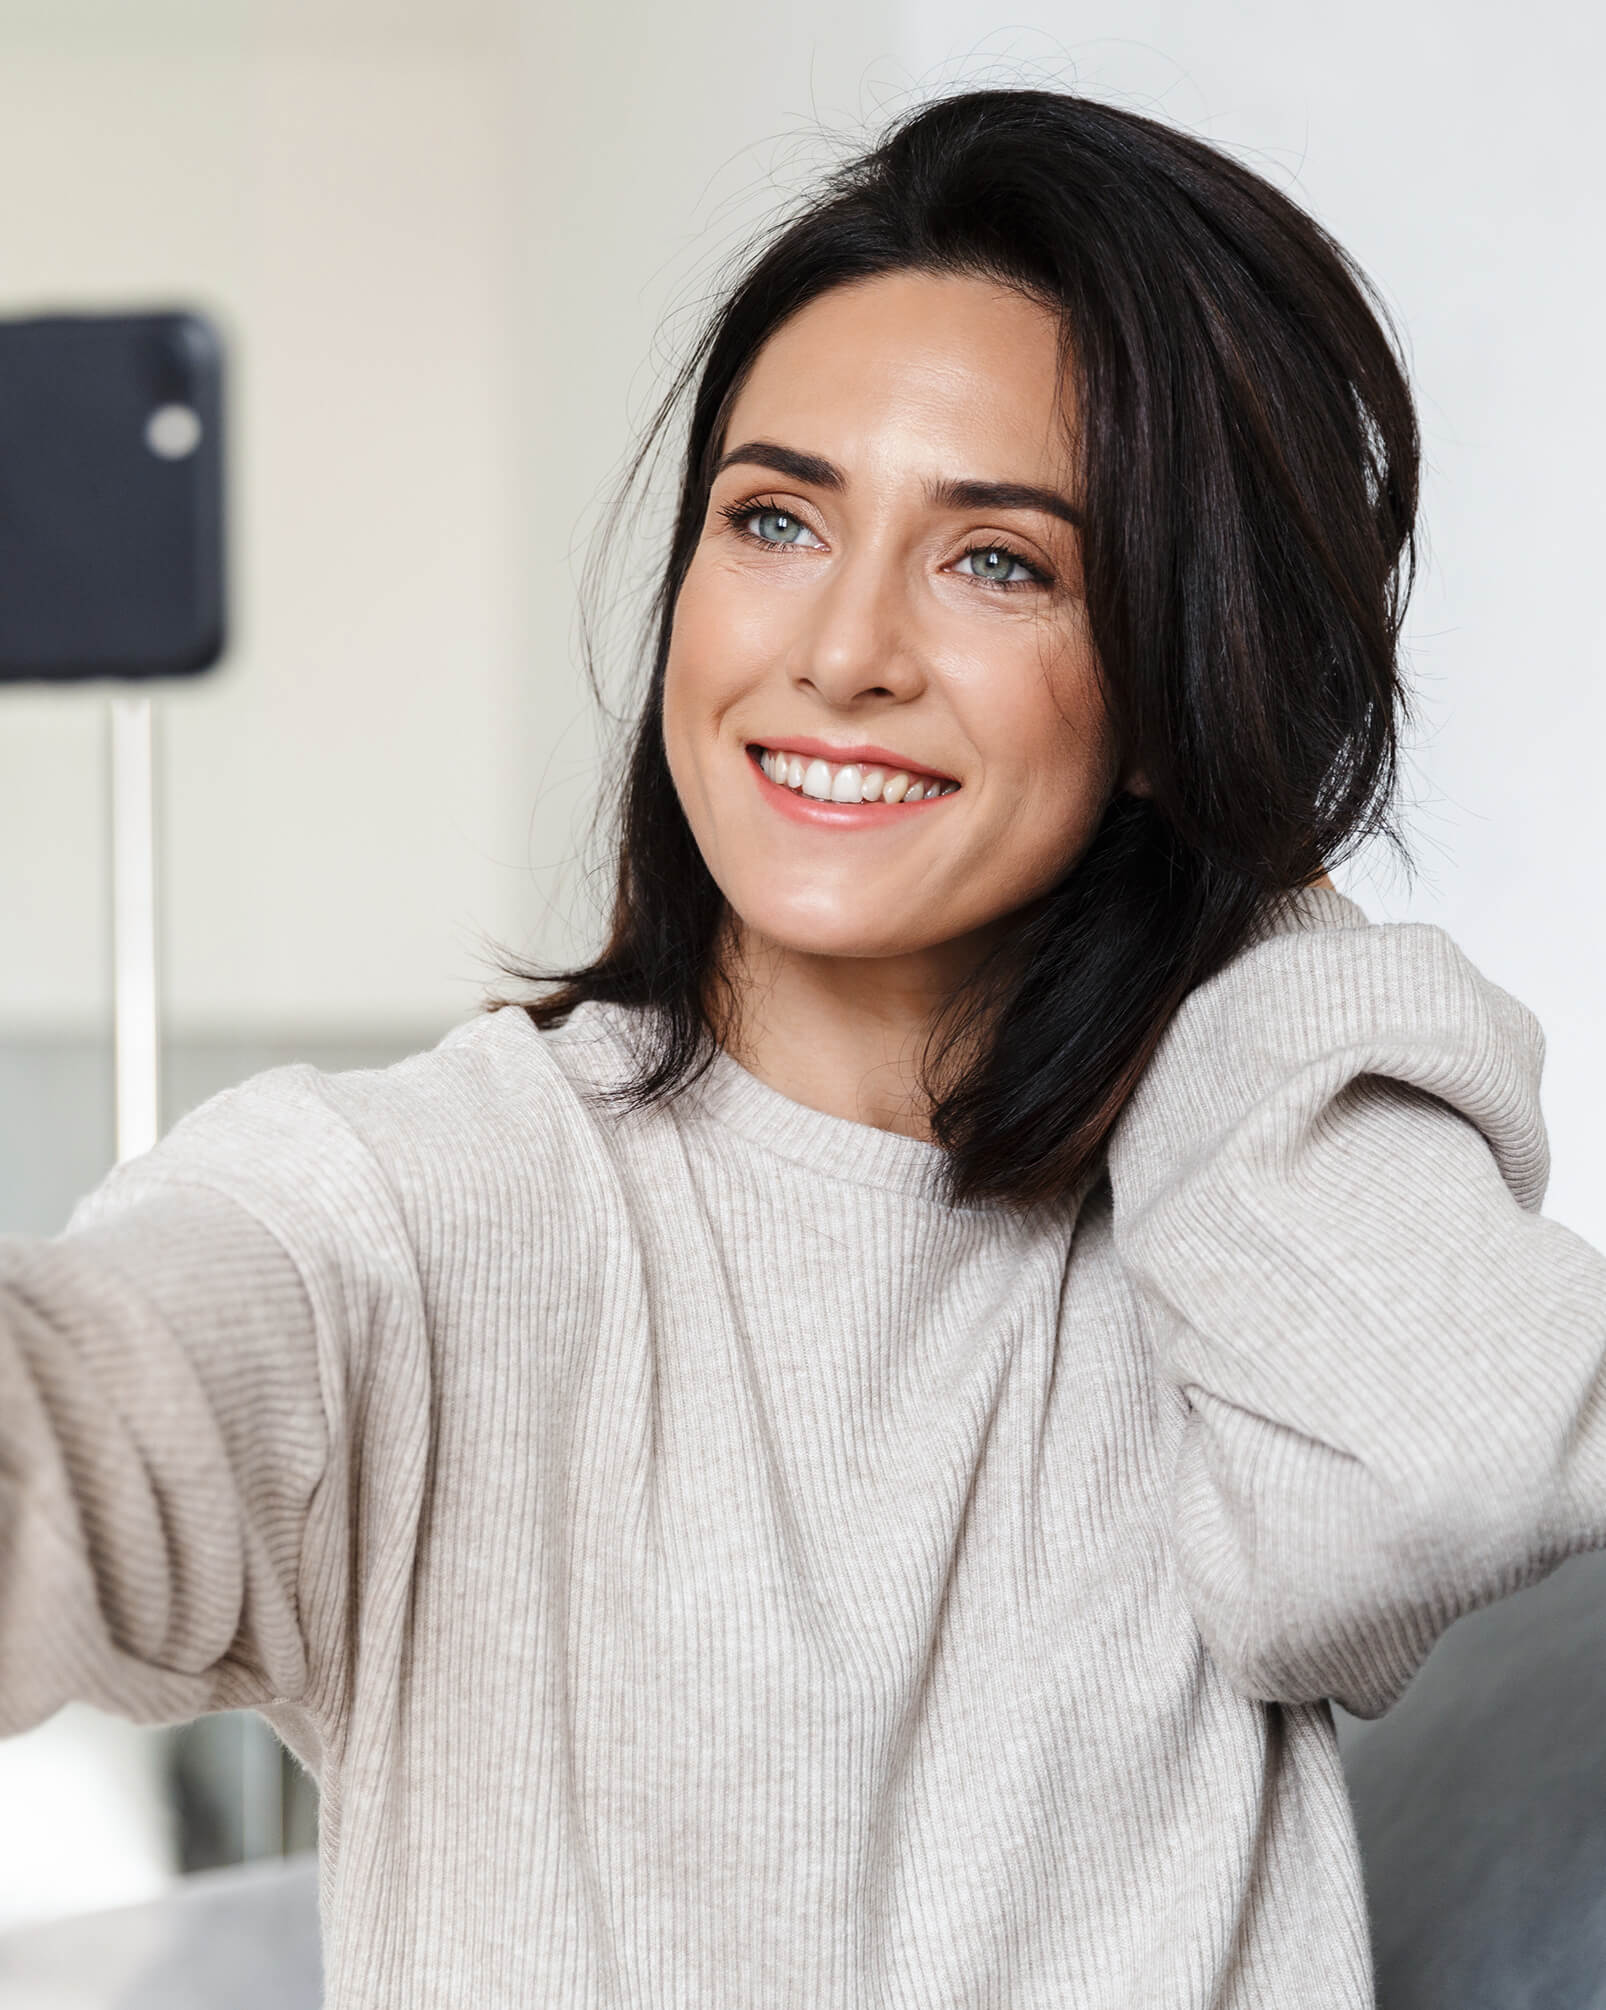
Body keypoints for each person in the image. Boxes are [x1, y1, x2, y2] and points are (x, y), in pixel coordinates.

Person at [2, 85, 1602, 2010]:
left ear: (1182, 671)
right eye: (773, 519)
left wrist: (1231, 876)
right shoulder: (415, 1212)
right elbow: (69, 1423)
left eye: (999, 560)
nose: (841, 651)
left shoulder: (1235, 1247)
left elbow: (1447, 1472)